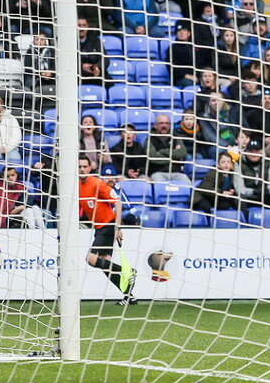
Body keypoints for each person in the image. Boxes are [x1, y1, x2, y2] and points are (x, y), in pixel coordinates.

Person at [80, 155, 135, 305]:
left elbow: (117, 203)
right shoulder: (76, 185)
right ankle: (129, 295)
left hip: (108, 225)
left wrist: (117, 228)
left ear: (90, 168)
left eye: (85, 166)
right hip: (98, 227)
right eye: (79, 167)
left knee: (90, 259)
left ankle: (128, 272)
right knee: (106, 264)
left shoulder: (97, 184)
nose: (82, 169)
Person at [235, 138, 270, 212]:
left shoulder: (268, 163)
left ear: (261, 152)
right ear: (246, 152)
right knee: (239, 199)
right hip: (248, 197)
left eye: (257, 151)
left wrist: (266, 190)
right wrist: (253, 192)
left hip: (265, 195)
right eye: (251, 151)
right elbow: (239, 188)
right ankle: (245, 222)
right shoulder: (238, 164)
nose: (254, 153)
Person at [145, 114, 189, 183]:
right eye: (161, 123)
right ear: (155, 125)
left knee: (188, 184)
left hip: (177, 173)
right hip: (158, 173)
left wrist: (163, 152)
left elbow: (182, 153)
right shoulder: (150, 140)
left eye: (166, 123)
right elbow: (152, 157)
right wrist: (173, 158)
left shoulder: (176, 138)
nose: (164, 125)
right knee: (160, 187)